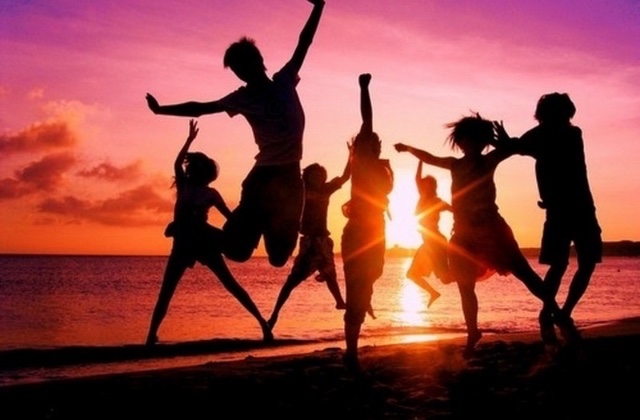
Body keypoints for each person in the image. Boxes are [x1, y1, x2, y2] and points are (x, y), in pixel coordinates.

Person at [145, 0, 326, 268]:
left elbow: (305, 42)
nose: (242, 74)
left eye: (244, 66)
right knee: (236, 252)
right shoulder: (242, 98)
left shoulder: (285, 80)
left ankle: (263, 219)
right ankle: (189, 229)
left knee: (278, 258)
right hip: (262, 178)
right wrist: (161, 110)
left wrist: (319, 6)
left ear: (258, 62)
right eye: (237, 71)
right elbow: (201, 107)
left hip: (289, 179)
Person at [394, 113, 580, 357]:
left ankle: (557, 314)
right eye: (467, 139)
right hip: (463, 234)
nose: (471, 144)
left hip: (492, 230)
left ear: (483, 142)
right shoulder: (454, 164)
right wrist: (408, 148)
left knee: (525, 274)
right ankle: (473, 332)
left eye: (477, 139)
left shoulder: (489, 160)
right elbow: (430, 158)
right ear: (460, 142)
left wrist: (498, 140)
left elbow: (512, 149)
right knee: (465, 285)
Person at [146, 120, 272, 346]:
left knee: (228, 285)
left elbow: (230, 218)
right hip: (186, 243)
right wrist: (188, 141)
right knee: (168, 292)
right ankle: (151, 336)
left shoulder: (208, 193)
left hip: (202, 242)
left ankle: (263, 324)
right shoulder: (186, 186)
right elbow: (177, 163)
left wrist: (247, 226)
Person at [494, 93, 602, 345]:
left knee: (585, 263)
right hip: (561, 210)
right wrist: (506, 142)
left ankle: (562, 314)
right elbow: (516, 146)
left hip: (581, 208)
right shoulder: (542, 135)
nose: (562, 118)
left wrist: (508, 142)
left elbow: (517, 146)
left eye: (563, 114)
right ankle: (549, 314)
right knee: (560, 264)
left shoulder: (569, 134)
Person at [342, 74, 394, 373]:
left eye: (374, 141)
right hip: (358, 232)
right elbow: (367, 120)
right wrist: (364, 89)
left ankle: (364, 298)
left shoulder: (380, 167)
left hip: (377, 230)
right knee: (356, 290)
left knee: (375, 273)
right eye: (367, 140)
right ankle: (351, 352)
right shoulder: (361, 162)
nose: (371, 141)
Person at [267, 152, 351, 331]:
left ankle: (339, 301)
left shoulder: (327, 189)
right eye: (315, 175)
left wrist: (351, 156)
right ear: (307, 176)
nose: (319, 178)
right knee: (292, 281)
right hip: (308, 242)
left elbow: (345, 176)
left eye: (321, 175)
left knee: (330, 273)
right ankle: (274, 314)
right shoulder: (300, 189)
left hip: (323, 240)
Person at [405, 161, 453, 308]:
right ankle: (433, 293)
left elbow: (454, 210)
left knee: (445, 278)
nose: (421, 186)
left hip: (435, 242)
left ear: (431, 187)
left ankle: (466, 272)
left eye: (425, 184)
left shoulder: (437, 201)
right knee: (414, 274)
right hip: (429, 242)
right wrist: (420, 160)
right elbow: (417, 179)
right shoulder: (423, 198)